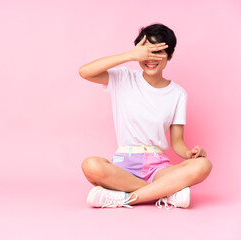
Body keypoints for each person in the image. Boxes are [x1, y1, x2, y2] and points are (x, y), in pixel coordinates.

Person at [79, 23, 212, 209]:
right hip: (124, 165)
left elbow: (177, 143)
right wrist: (130, 55)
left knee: (203, 165)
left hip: (158, 168)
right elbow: (84, 72)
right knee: (91, 165)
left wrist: (191, 154)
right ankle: (165, 193)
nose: (151, 58)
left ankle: (125, 199)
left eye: (158, 52)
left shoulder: (178, 94)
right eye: (147, 51)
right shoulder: (123, 78)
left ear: (170, 55)